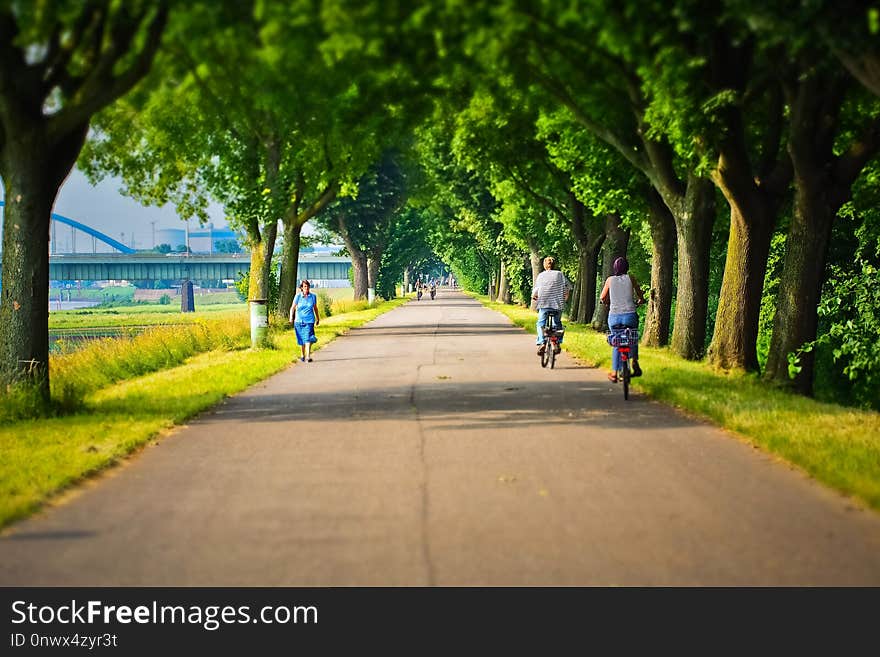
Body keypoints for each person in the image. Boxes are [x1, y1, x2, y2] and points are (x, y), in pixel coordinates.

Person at [599, 256, 645, 382]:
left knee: (616, 342)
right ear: (627, 268)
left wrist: (607, 302)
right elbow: (640, 294)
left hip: (614, 317)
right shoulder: (631, 278)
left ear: (614, 268)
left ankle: (614, 373)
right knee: (633, 335)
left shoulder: (610, 280)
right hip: (630, 316)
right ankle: (634, 361)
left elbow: (602, 297)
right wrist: (641, 300)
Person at [531, 256, 571, 356]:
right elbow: (568, 287)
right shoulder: (560, 274)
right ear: (554, 265)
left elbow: (536, 290)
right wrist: (565, 297)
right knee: (557, 323)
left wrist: (534, 297)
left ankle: (542, 342)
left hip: (544, 303)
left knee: (541, 323)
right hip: (557, 304)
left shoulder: (541, 276)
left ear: (544, 265)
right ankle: (556, 342)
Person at [288, 279, 320, 362]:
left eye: (308, 286)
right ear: (301, 288)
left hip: (309, 321)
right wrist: (291, 317)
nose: (307, 288)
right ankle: (302, 355)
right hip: (298, 321)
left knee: (308, 338)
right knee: (301, 340)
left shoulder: (313, 297)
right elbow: (293, 308)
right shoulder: (298, 296)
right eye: (305, 286)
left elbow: (315, 308)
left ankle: (308, 356)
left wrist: (318, 318)